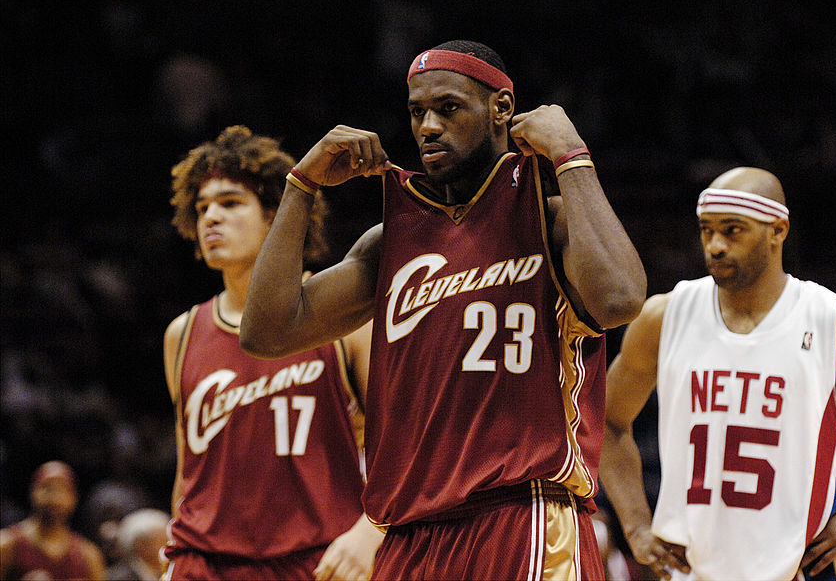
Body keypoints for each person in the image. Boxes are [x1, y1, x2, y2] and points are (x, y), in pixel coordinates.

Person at [240, 40, 647, 579]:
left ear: (501, 108)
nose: (428, 126)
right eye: (416, 112)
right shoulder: (391, 241)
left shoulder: (549, 220)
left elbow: (620, 299)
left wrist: (571, 155)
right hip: (409, 535)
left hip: (520, 516)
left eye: (448, 108)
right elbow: (266, 332)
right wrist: (301, 184)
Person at [599, 167, 836, 581]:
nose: (715, 245)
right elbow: (605, 420)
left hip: (799, 570)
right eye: (706, 230)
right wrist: (636, 525)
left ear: (777, 230)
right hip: (690, 569)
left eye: (733, 231)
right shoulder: (663, 316)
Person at [162, 126, 382, 581]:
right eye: (202, 208)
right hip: (204, 563)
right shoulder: (181, 334)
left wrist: (371, 530)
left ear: (274, 218)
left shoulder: (342, 320)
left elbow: (406, 444)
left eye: (230, 202)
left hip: (317, 559)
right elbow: (189, 472)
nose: (210, 218)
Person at [0, 460, 107, 581]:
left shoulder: (88, 555)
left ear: (74, 498)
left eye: (63, 490)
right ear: (33, 492)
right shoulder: (7, 545)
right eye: (48, 488)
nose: (55, 498)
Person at [106, 508, 170, 581]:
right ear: (140, 546)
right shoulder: (118, 577)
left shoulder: (169, 570)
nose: (167, 545)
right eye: (161, 541)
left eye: (166, 540)